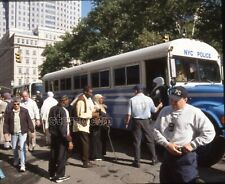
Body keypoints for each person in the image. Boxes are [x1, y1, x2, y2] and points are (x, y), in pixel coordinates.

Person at [154, 86, 216, 183]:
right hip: (168, 154)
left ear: (185, 99)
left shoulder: (194, 112)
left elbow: (210, 132)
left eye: (176, 100)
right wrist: (167, 144)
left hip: (186, 157)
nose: (173, 102)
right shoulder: (165, 111)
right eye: (171, 99)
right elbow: (155, 130)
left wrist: (192, 144)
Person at [125, 84, 163, 168]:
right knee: (149, 140)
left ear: (136, 91)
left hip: (136, 122)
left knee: (136, 142)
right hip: (146, 121)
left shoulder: (131, 100)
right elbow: (154, 110)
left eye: (134, 90)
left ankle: (137, 162)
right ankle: (153, 159)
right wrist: (159, 106)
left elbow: (128, 114)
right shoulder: (148, 99)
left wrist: (127, 123)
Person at [3, 97, 34, 172]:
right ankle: (16, 160)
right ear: (12, 104)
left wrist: (32, 131)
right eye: (15, 104)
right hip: (14, 133)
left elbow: (29, 121)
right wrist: (5, 132)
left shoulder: (24, 111)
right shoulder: (10, 112)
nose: (16, 105)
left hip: (22, 132)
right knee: (14, 148)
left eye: (18, 104)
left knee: (22, 148)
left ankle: (23, 165)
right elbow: (6, 123)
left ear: (20, 104)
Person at [48, 96, 73, 183]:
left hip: (54, 136)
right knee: (61, 157)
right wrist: (69, 140)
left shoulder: (52, 109)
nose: (68, 102)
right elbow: (63, 127)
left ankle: (51, 174)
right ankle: (59, 176)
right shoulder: (63, 111)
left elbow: (50, 123)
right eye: (67, 100)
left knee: (53, 155)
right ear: (64, 101)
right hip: (62, 137)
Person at [73, 86, 99, 168]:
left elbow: (89, 109)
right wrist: (92, 115)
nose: (91, 94)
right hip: (81, 125)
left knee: (83, 143)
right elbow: (80, 114)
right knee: (85, 144)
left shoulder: (87, 99)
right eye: (89, 92)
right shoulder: (81, 100)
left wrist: (95, 110)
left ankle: (86, 160)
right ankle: (85, 162)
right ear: (85, 92)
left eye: (91, 92)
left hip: (84, 124)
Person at [90, 94, 109, 161]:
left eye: (102, 98)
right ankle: (95, 155)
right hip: (97, 126)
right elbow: (94, 116)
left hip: (103, 126)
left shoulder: (102, 106)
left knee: (102, 140)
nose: (102, 100)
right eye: (101, 98)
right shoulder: (95, 106)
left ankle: (100, 154)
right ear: (97, 99)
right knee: (96, 140)